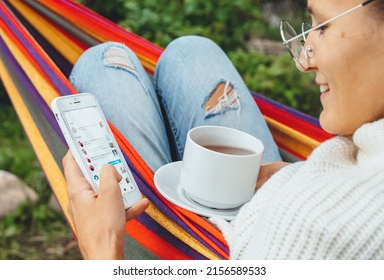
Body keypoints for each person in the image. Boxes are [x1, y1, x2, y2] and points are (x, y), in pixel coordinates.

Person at [63, 0, 384, 259]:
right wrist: (295, 176)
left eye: (324, 27)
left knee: (102, 65)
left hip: (213, 249)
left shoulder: (324, 226)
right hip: (261, 206)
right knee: (191, 52)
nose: (303, 62)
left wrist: (102, 251)